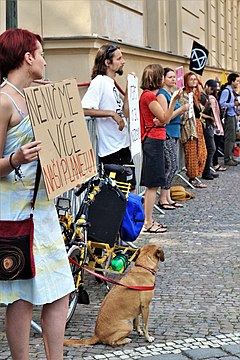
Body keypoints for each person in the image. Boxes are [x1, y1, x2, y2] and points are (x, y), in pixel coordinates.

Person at [0, 28, 75, 360]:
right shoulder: (3, 101)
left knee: (60, 292)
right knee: (21, 296)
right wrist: (16, 158)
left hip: (43, 210)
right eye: (41, 53)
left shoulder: (35, 96)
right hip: (14, 213)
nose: (45, 60)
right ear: (27, 57)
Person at [81, 44, 136, 190]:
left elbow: (125, 113)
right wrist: (111, 114)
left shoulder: (110, 83)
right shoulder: (99, 82)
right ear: (107, 62)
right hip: (111, 151)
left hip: (123, 145)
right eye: (119, 58)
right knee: (119, 197)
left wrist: (129, 90)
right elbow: (83, 109)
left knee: (130, 191)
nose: (123, 61)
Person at [139, 64, 181, 233]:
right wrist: (173, 102)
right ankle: (148, 222)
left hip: (155, 139)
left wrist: (161, 120)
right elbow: (165, 118)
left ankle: (149, 220)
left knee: (154, 183)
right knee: (152, 185)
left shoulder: (148, 96)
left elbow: (161, 119)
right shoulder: (149, 96)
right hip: (153, 140)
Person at [156, 67, 189, 209]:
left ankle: (168, 197)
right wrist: (181, 109)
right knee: (171, 166)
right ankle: (163, 199)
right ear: (162, 79)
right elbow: (165, 117)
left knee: (172, 166)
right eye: (170, 77)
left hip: (174, 133)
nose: (174, 79)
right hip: (167, 133)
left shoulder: (171, 93)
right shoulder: (162, 95)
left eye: (174, 77)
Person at [179, 72, 207, 188]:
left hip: (197, 126)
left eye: (195, 79)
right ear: (186, 81)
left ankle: (196, 175)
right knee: (191, 154)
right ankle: (192, 177)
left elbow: (203, 105)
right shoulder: (182, 96)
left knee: (202, 153)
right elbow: (182, 113)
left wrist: (199, 86)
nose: (194, 81)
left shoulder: (194, 94)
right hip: (188, 128)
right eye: (191, 79)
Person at [200, 79, 220, 180]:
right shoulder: (202, 97)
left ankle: (207, 170)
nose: (212, 92)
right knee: (211, 148)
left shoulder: (206, 96)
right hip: (206, 125)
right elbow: (199, 113)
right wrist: (209, 117)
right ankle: (206, 172)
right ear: (207, 86)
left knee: (211, 148)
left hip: (209, 125)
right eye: (211, 89)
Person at [219, 72, 240, 166]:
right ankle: (227, 159)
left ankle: (230, 157)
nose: (238, 83)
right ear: (232, 81)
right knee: (229, 138)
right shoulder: (226, 91)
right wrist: (233, 104)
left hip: (233, 115)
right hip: (229, 116)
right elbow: (221, 103)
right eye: (237, 81)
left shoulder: (231, 91)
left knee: (232, 138)